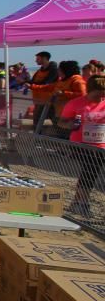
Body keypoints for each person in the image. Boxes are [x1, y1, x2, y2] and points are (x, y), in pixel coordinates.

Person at [60, 76, 105, 217]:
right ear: (93, 90)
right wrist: (71, 125)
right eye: (101, 92)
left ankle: (78, 202)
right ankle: (83, 202)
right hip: (81, 144)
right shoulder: (76, 104)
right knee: (90, 168)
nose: (102, 96)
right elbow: (62, 122)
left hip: (101, 143)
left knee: (91, 171)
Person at [28, 51, 60, 130]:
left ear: (45, 58)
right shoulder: (40, 70)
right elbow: (33, 82)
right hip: (39, 100)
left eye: (38, 59)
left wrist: (32, 86)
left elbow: (46, 83)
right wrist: (24, 81)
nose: (36, 61)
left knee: (40, 121)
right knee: (39, 121)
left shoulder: (54, 70)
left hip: (48, 100)